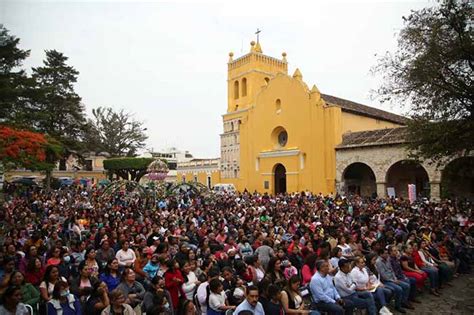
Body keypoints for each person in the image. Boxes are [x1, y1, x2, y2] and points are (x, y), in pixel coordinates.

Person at [375, 248, 413, 314]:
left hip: (392, 278)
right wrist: (393, 280)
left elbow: (392, 270)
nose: (387, 255)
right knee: (399, 289)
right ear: (381, 254)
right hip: (385, 281)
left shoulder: (387, 260)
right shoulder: (378, 262)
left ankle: (403, 302)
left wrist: (395, 278)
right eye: (385, 253)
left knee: (406, 285)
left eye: (387, 253)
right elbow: (383, 275)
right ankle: (398, 306)